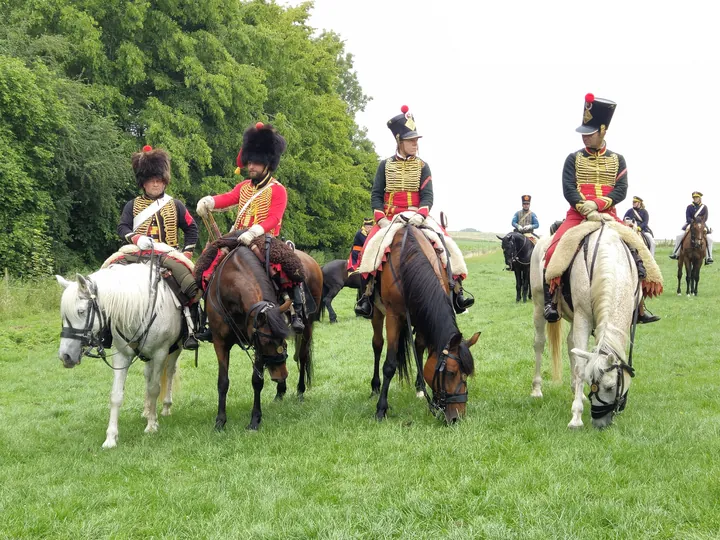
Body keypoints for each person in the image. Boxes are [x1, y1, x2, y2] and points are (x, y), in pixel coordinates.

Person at [543, 93, 659, 324]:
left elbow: (620, 191)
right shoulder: (573, 158)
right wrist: (586, 209)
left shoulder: (618, 160)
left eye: (590, 133)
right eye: (583, 134)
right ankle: (551, 301)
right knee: (552, 249)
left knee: (638, 247)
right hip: (577, 216)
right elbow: (568, 189)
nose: (585, 138)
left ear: (603, 131)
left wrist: (597, 204)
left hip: (609, 215)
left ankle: (638, 304)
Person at [354, 105, 474, 317]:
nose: (415, 144)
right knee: (370, 247)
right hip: (390, 218)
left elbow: (427, 196)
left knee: (447, 245)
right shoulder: (384, 166)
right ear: (399, 140)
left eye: (417, 140)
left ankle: (457, 290)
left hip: (418, 217)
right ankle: (367, 294)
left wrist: (421, 214)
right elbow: (376, 195)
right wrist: (381, 219)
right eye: (411, 140)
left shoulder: (423, 166)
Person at [196, 122, 306, 333]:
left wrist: (255, 231)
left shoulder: (278, 190)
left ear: (267, 164)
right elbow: (228, 198)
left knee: (288, 266)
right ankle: (208, 316)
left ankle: (296, 311)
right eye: (250, 162)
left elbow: (274, 218)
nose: (251, 166)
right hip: (237, 236)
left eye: (256, 163)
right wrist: (209, 201)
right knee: (207, 263)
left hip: (263, 237)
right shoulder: (243, 187)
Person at [117, 145, 202, 349]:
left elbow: (192, 228)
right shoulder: (132, 205)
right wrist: (136, 239)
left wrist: (187, 253)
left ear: (164, 181)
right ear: (143, 183)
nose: (155, 184)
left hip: (168, 254)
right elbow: (122, 227)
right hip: (137, 253)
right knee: (108, 274)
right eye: (151, 180)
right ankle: (108, 332)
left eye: (159, 180)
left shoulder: (176, 205)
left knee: (191, 285)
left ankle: (192, 329)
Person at [669, 191, 713, 264]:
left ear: (700, 198)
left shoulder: (704, 207)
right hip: (691, 223)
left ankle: (709, 257)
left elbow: (706, 218)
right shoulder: (689, 207)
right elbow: (688, 217)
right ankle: (676, 253)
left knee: (710, 239)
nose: (695, 198)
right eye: (694, 197)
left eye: (697, 197)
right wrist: (692, 222)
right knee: (679, 236)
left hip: (701, 225)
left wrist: (701, 223)